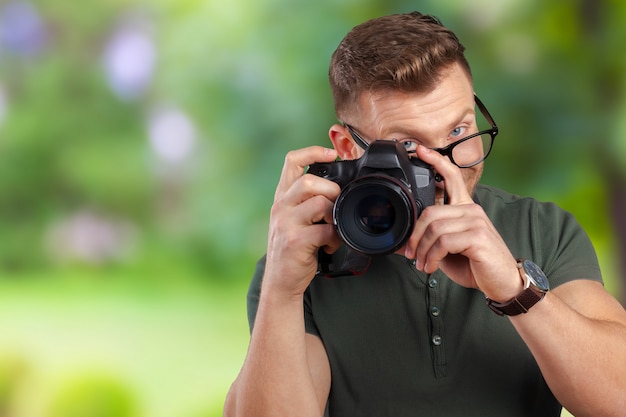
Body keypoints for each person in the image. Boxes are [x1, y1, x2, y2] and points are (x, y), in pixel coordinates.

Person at [224, 11, 626, 417]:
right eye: (409, 148)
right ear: (347, 147)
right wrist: (281, 288)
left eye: (458, 132)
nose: (447, 167)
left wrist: (513, 286)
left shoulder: (544, 229)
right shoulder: (299, 265)